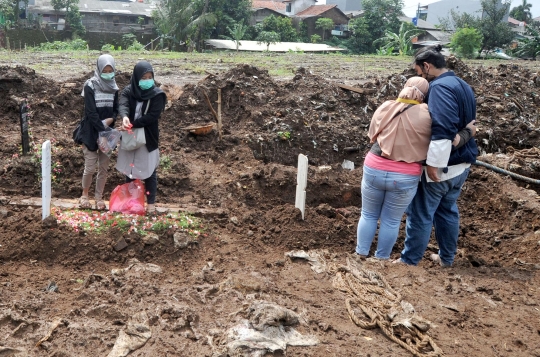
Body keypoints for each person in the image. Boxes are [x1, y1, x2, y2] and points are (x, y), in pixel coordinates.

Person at [397, 45, 478, 267]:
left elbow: (442, 127)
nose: (419, 78)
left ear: (427, 66)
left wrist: (434, 164)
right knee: (447, 211)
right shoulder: (462, 84)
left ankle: (409, 261)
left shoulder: (440, 88)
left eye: (419, 72)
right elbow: (468, 123)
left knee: (420, 214)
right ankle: (446, 258)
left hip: (444, 166)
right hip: (461, 165)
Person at [355, 77, 432, 260]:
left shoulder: (386, 106)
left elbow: (372, 134)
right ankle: (382, 259)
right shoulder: (428, 114)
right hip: (405, 176)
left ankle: (360, 254)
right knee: (391, 220)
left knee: (368, 214)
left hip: (374, 167)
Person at [116, 61, 166, 214]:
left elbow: (152, 116)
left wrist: (132, 124)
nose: (147, 80)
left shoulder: (158, 95)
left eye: (150, 77)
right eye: (143, 77)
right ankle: (132, 202)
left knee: (149, 171)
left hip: (148, 137)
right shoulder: (128, 91)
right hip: (130, 136)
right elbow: (123, 104)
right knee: (130, 170)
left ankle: (150, 204)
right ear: (137, 77)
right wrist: (124, 117)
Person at [79, 54, 119, 210]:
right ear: (99, 69)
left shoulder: (114, 87)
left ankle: (99, 197)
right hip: (91, 132)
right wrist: (102, 131)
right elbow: (90, 112)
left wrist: (111, 120)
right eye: (105, 70)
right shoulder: (90, 85)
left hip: (107, 133)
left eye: (111, 70)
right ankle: (84, 195)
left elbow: (115, 109)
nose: (108, 73)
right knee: (89, 167)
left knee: (103, 168)